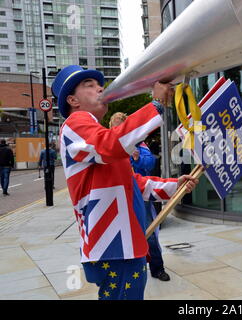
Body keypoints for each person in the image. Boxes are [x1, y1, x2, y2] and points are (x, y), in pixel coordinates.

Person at [52, 65, 199, 300]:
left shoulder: (93, 131)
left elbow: (135, 183)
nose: (99, 88)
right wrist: (156, 106)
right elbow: (110, 144)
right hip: (113, 244)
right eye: (89, 85)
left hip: (121, 243)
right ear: (72, 100)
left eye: (98, 84)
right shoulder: (74, 123)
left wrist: (175, 185)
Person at [109, 112, 170, 282]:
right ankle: (125, 270)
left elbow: (150, 163)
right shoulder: (109, 146)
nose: (119, 130)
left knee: (149, 231)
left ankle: (157, 268)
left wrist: (136, 158)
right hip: (117, 196)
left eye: (121, 126)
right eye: (116, 127)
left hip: (139, 194)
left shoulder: (139, 144)